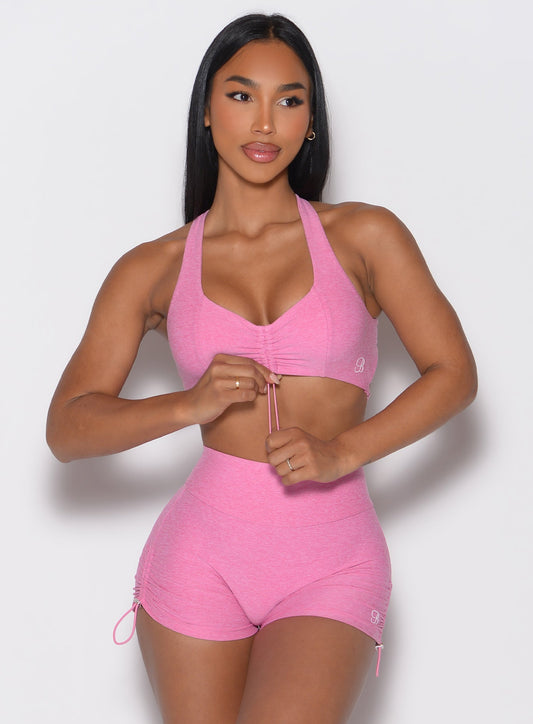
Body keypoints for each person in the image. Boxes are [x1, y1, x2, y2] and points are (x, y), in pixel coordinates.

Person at [46, 13, 477, 724]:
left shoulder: (364, 235)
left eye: (290, 99)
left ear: (311, 122)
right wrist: (187, 405)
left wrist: (343, 451)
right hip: (201, 554)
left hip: (332, 555)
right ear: (206, 110)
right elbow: (67, 428)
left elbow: (452, 373)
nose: (265, 121)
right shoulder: (151, 268)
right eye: (242, 94)